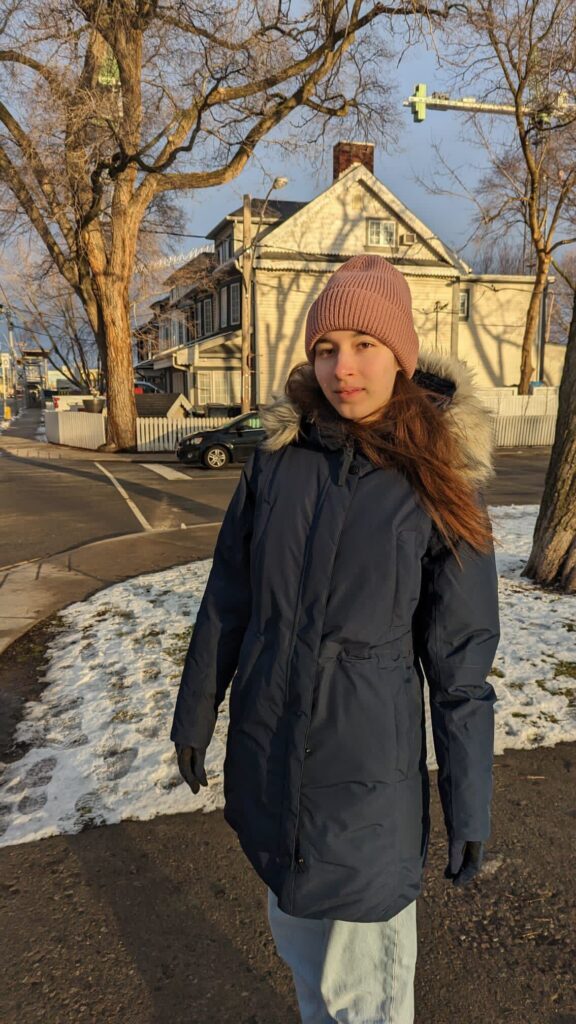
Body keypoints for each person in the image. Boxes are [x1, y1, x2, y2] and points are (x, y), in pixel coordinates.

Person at [171, 254, 501, 1024]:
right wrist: (195, 715)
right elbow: (229, 598)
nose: (342, 367)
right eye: (326, 347)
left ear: (400, 357)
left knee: (367, 1002)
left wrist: (469, 806)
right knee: (303, 965)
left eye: (363, 344)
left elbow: (460, 666)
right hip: (271, 762)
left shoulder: (439, 477)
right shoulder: (279, 464)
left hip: (364, 792)